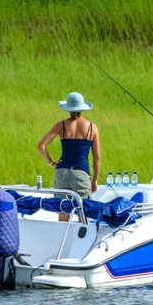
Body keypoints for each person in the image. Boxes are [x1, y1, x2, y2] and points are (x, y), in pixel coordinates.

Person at [38, 92, 102, 222]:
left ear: (68, 108)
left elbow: (41, 146)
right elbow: (97, 158)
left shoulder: (60, 126)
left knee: (63, 210)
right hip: (81, 173)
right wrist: (95, 179)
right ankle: (84, 242)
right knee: (84, 212)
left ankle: (62, 240)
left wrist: (51, 163)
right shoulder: (92, 127)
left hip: (62, 173)